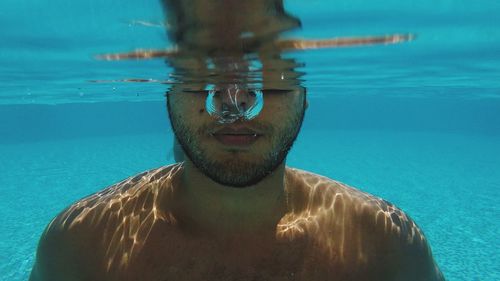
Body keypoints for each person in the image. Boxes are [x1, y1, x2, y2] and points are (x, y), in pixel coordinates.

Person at [30, 1, 444, 280]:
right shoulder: (79, 247)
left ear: (306, 93)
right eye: (202, 59)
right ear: (168, 88)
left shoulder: (387, 248)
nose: (234, 98)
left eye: (264, 59)